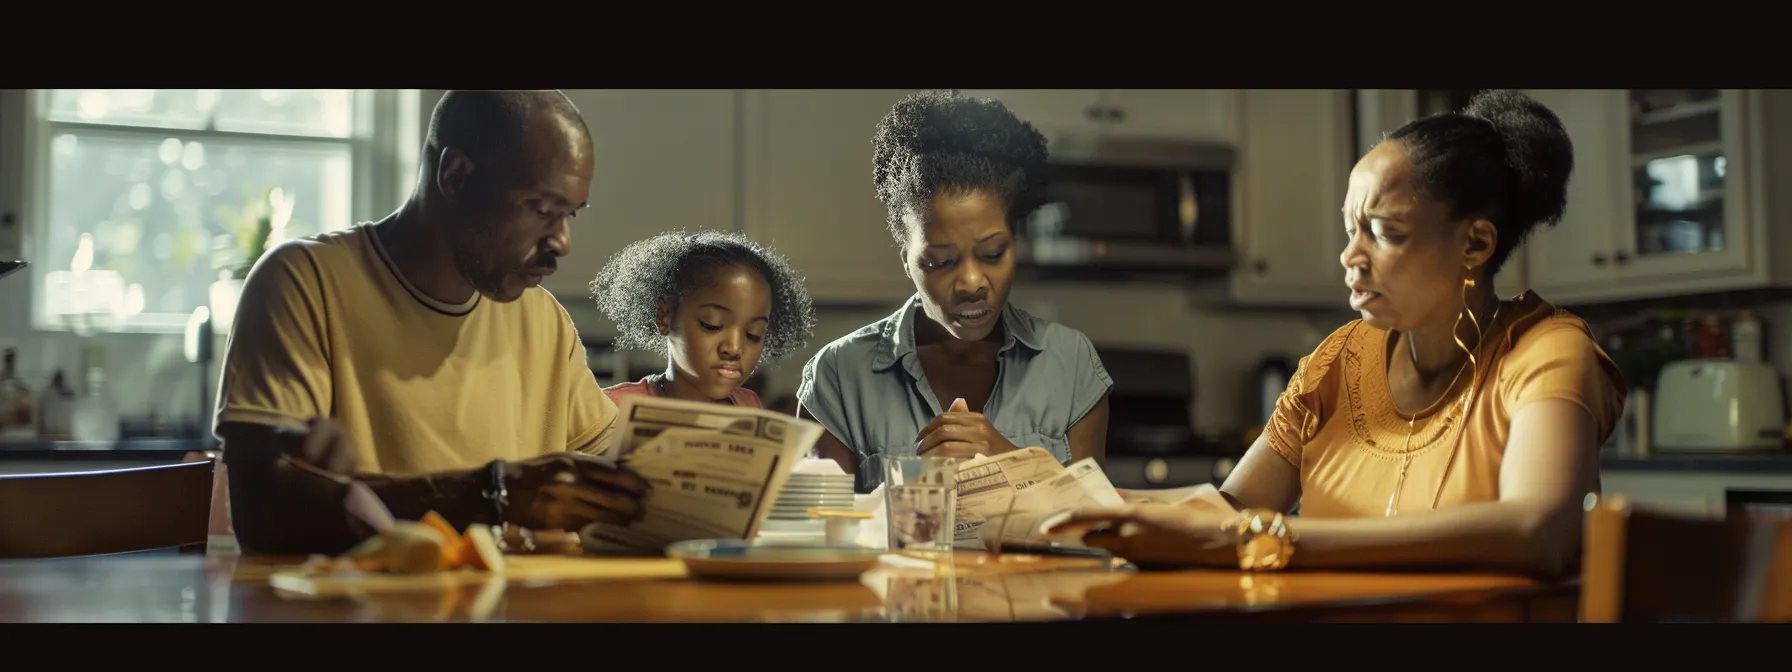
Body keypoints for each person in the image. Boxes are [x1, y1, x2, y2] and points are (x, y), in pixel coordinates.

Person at [1049, 90, 1627, 578]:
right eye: (1352, 229)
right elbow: (1229, 508)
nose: (1351, 255)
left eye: (1384, 231)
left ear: (1474, 244)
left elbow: (1539, 529)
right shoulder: (1338, 359)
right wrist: (1073, 502)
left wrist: (1275, 540)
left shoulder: (1547, 351)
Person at [215, 90, 650, 555]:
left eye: (570, 215)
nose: (562, 240)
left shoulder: (544, 320)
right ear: (455, 174)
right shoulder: (305, 283)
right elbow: (260, 512)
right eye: (542, 210)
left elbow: (621, 468)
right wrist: (491, 495)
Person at [797, 90, 1114, 492]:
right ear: (906, 260)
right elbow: (824, 536)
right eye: (941, 262)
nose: (971, 283)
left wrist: (1006, 461)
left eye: (993, 253)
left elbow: (1097, 527)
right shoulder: (839, 376)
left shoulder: (1070, 365)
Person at [589, 230, 816, 408]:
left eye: (753, 334)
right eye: (712, 324)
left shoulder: (749, 406)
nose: (734, 348)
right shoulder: (613, 409)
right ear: (665, 316)